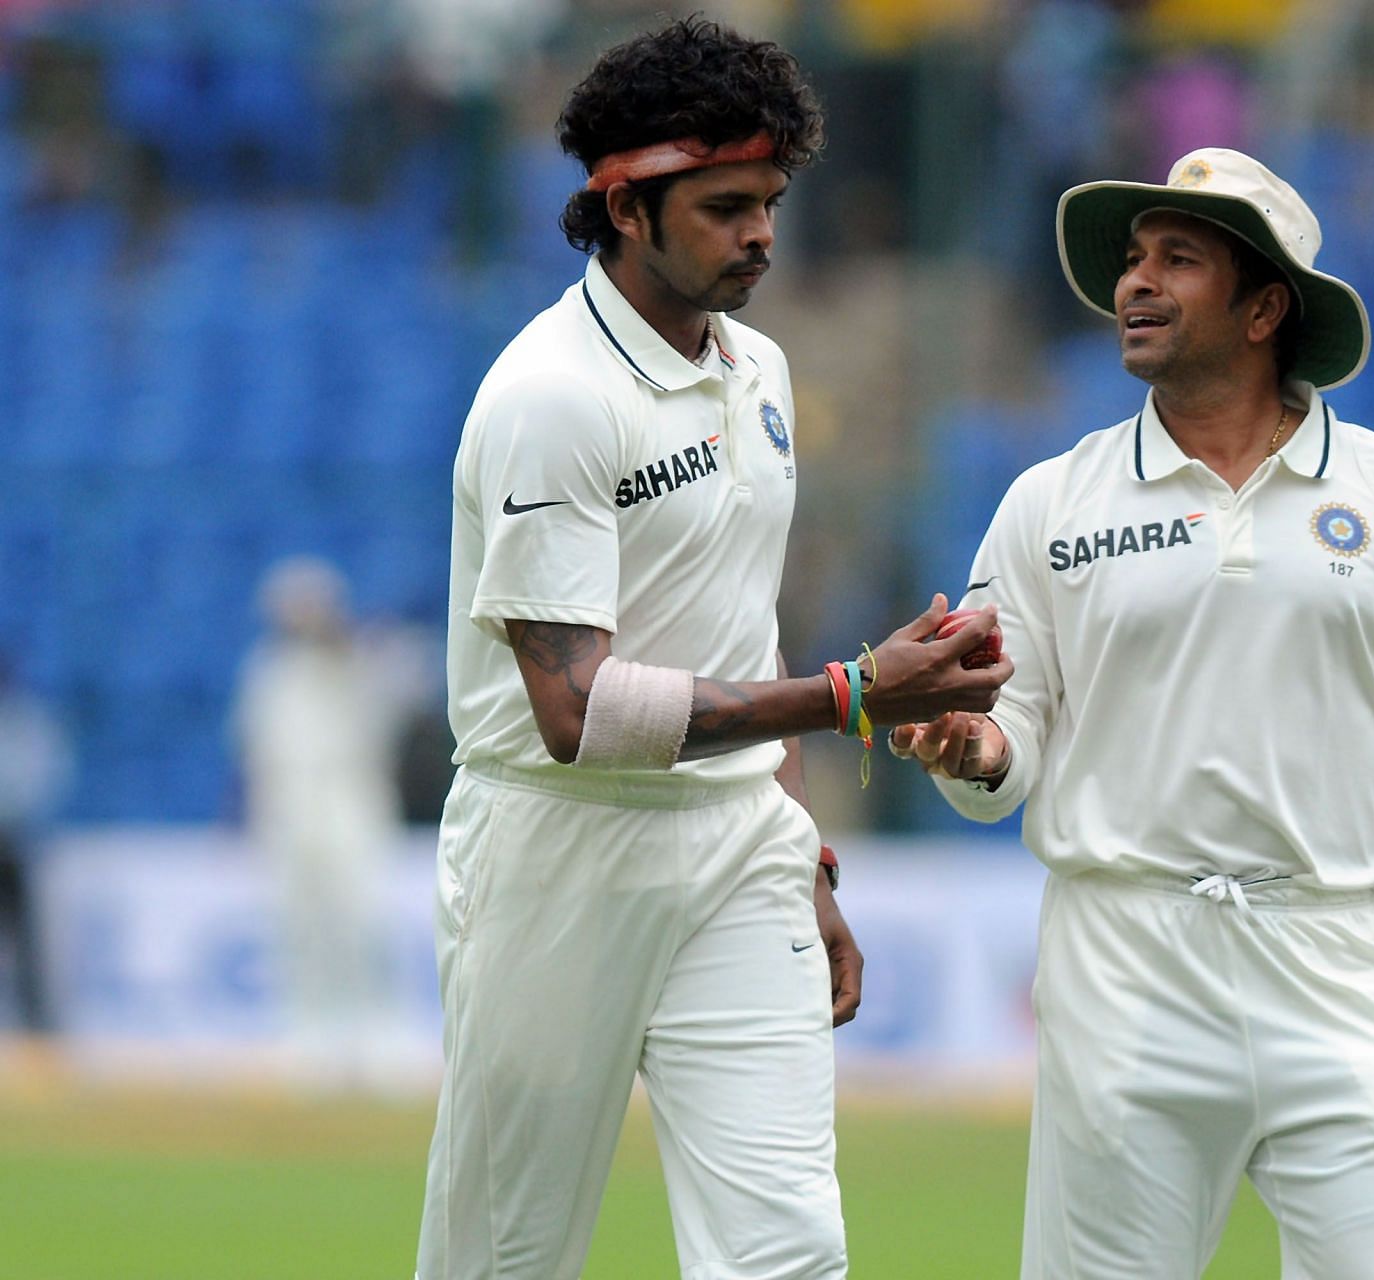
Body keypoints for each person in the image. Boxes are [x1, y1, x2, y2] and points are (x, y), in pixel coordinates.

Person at [893, 148, 1374, 1278]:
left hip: (1339, 961)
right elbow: (1006, 737)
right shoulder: (1048, 500)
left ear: (1266, 307)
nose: (1136, 284)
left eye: (1179, 258)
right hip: (1127, 970)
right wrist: (967, 744)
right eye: (1132, 260)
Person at [415, 18, 1009, 1280]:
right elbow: (576, 710)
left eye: (772, 201)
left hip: (739, 843)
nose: (762, 235)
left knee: (786, 1247)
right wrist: (850, 695)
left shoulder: (764, 370)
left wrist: (796, 847)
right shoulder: (549, 397)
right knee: (506, 1254)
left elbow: (742, 629)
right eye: (727, 206)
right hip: (557, 845)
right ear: (624, 207)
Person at [233, 557, 405, 1086]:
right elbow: (254, 748)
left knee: (361, 921)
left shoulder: (356, 660)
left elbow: (387, 713)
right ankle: (308, 1036)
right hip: (290, 808)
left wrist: (341, 646)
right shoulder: (267, 670)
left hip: (348, 801)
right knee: (301, 928)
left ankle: (378, 1036)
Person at [0, 654, 70, 1033]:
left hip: (13, 843)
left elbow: (41, 777)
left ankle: (36, 1030)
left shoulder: (25, 721)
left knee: (27, 947)